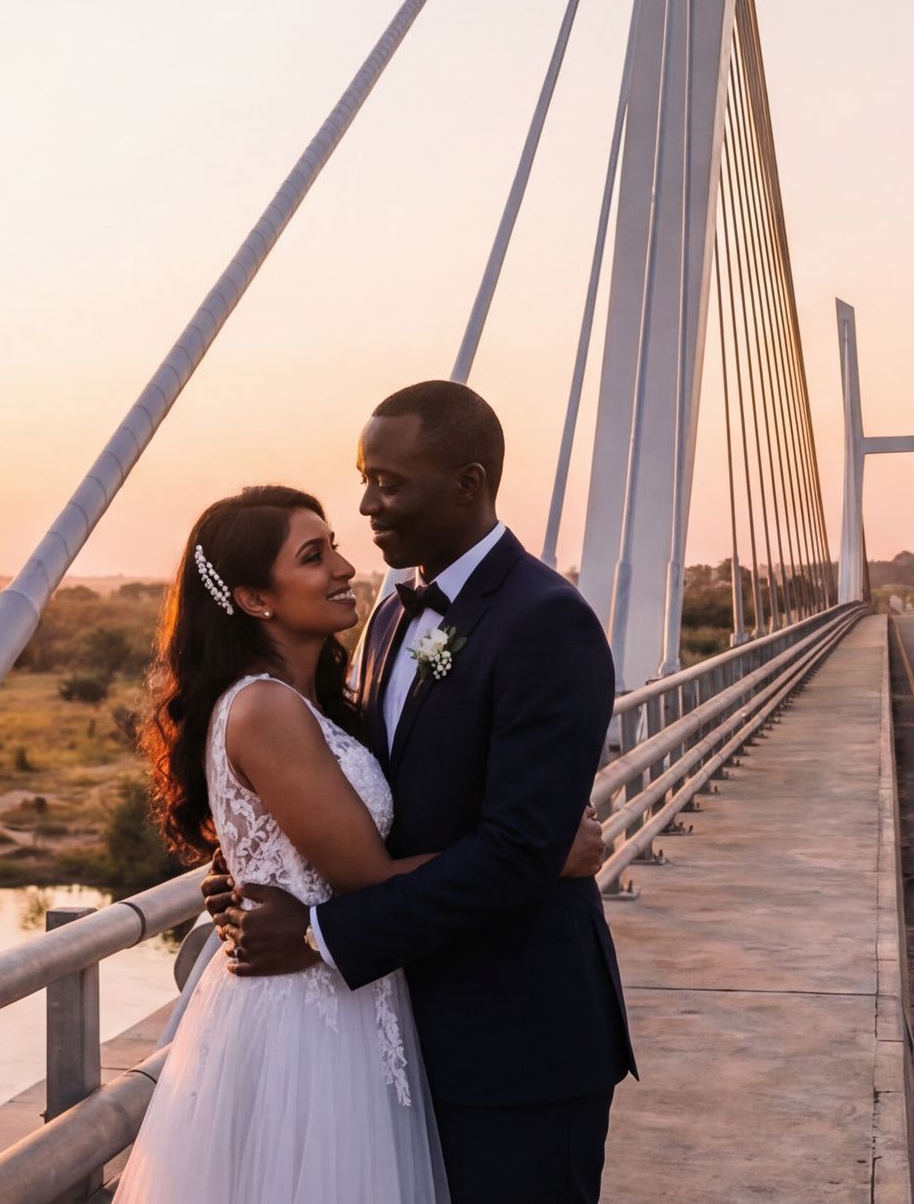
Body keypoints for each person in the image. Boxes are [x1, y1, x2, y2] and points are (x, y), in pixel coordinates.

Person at [215, 381, 635, 1204]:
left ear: (469, 483)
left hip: (518, 1039)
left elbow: (519, 848)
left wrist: (319, 934)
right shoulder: (387, 614)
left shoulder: (546, 620)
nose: (367, 503)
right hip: (395, 1033)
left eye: (390, 482)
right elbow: (354, 791)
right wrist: (247, 869)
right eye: (365, 477)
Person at [112, 484, 447, 1204]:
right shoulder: (265, 707)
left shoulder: (307, 700)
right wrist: (534, 853)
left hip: (344, 987)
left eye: (333, 546)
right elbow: (367, 876)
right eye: (313, 554)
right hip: (306, 1015)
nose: (342, 566)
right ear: (256, 599)